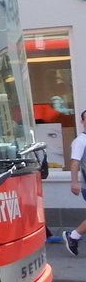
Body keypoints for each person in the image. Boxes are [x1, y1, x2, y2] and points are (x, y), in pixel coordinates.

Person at [65, 109, 86, 256]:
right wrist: (74, 182)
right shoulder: (80, 141)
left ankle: (73, 236)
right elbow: (75, 163)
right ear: (82, 121)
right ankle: (73, 236)